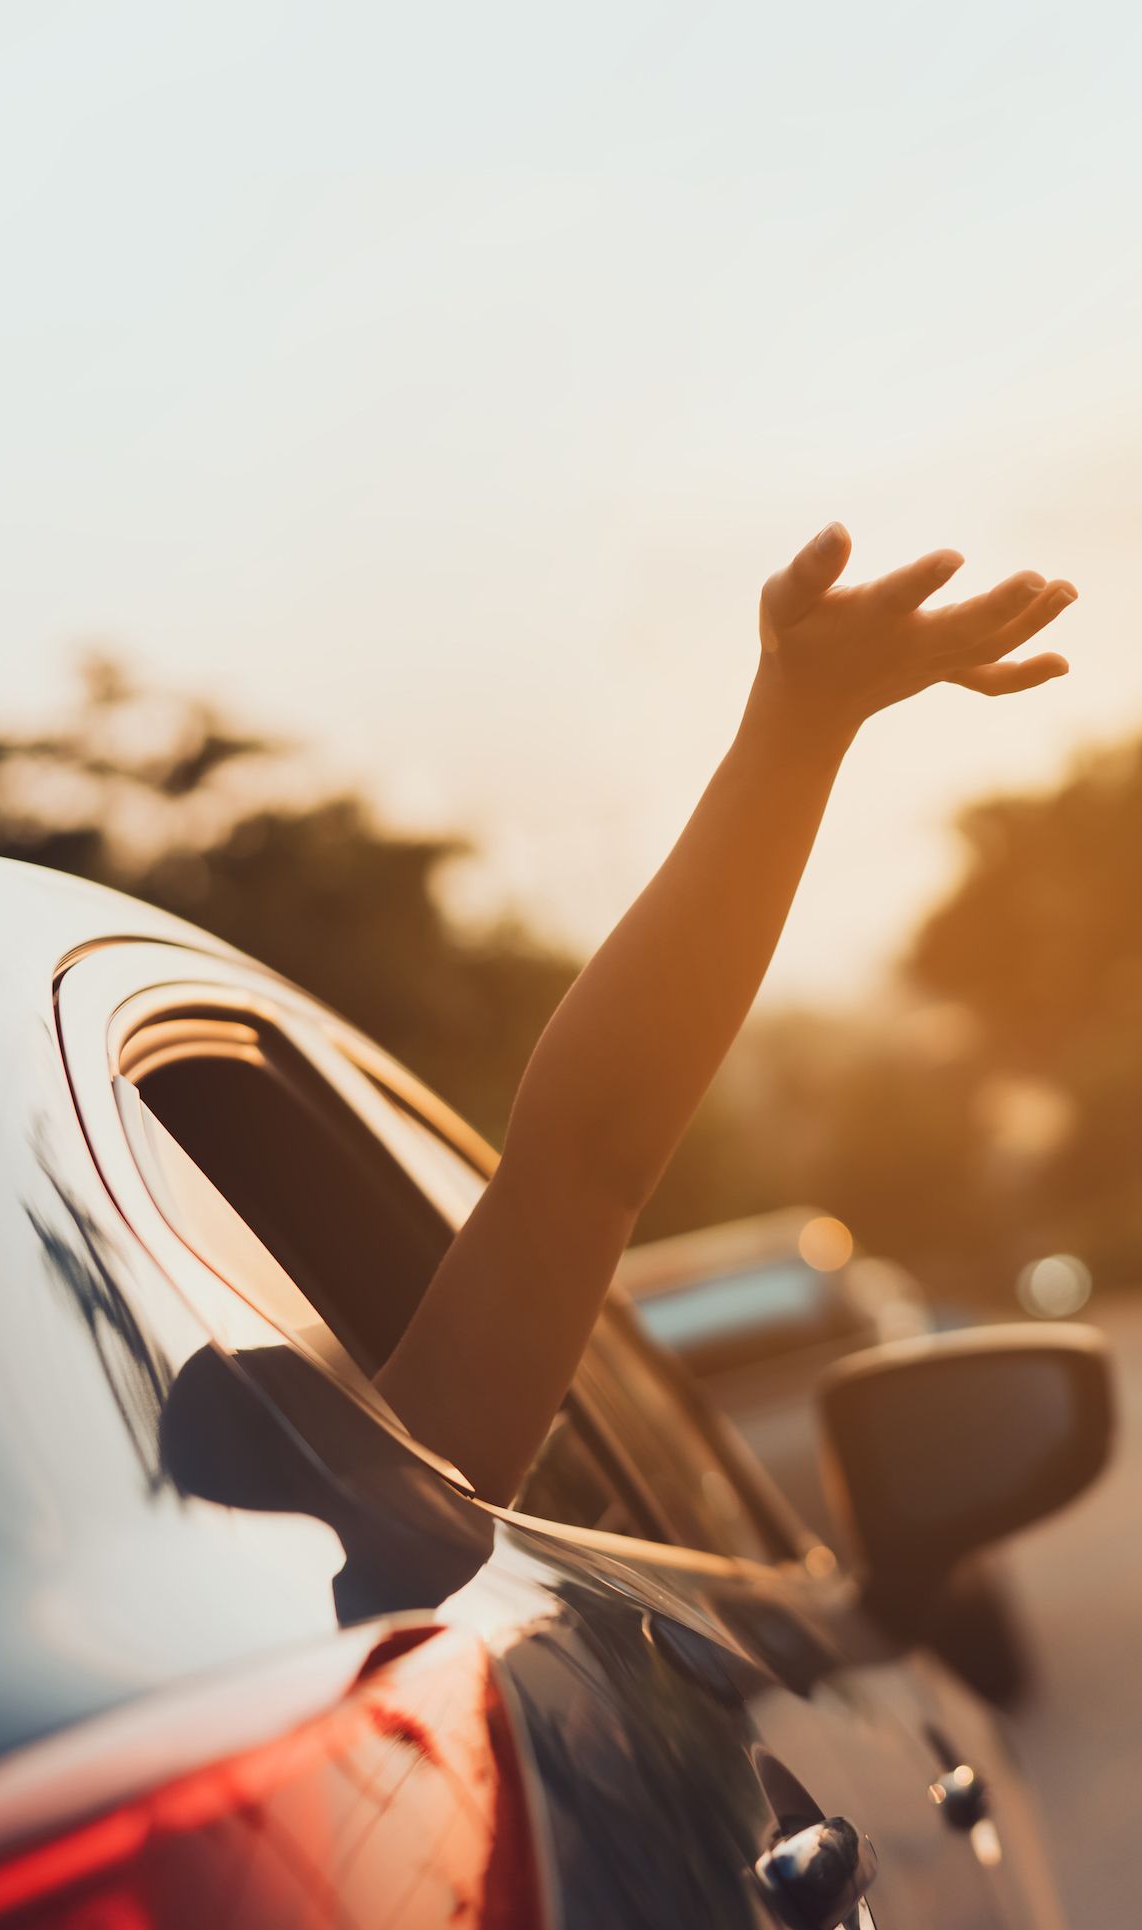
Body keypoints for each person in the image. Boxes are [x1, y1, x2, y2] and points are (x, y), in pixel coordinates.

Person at [374, 524, 1077, 1502]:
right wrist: (801, 725)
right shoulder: (372, 1527)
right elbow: (584, 1165)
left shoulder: (376, 1517)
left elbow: (585, 1164)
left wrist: (804, 726)